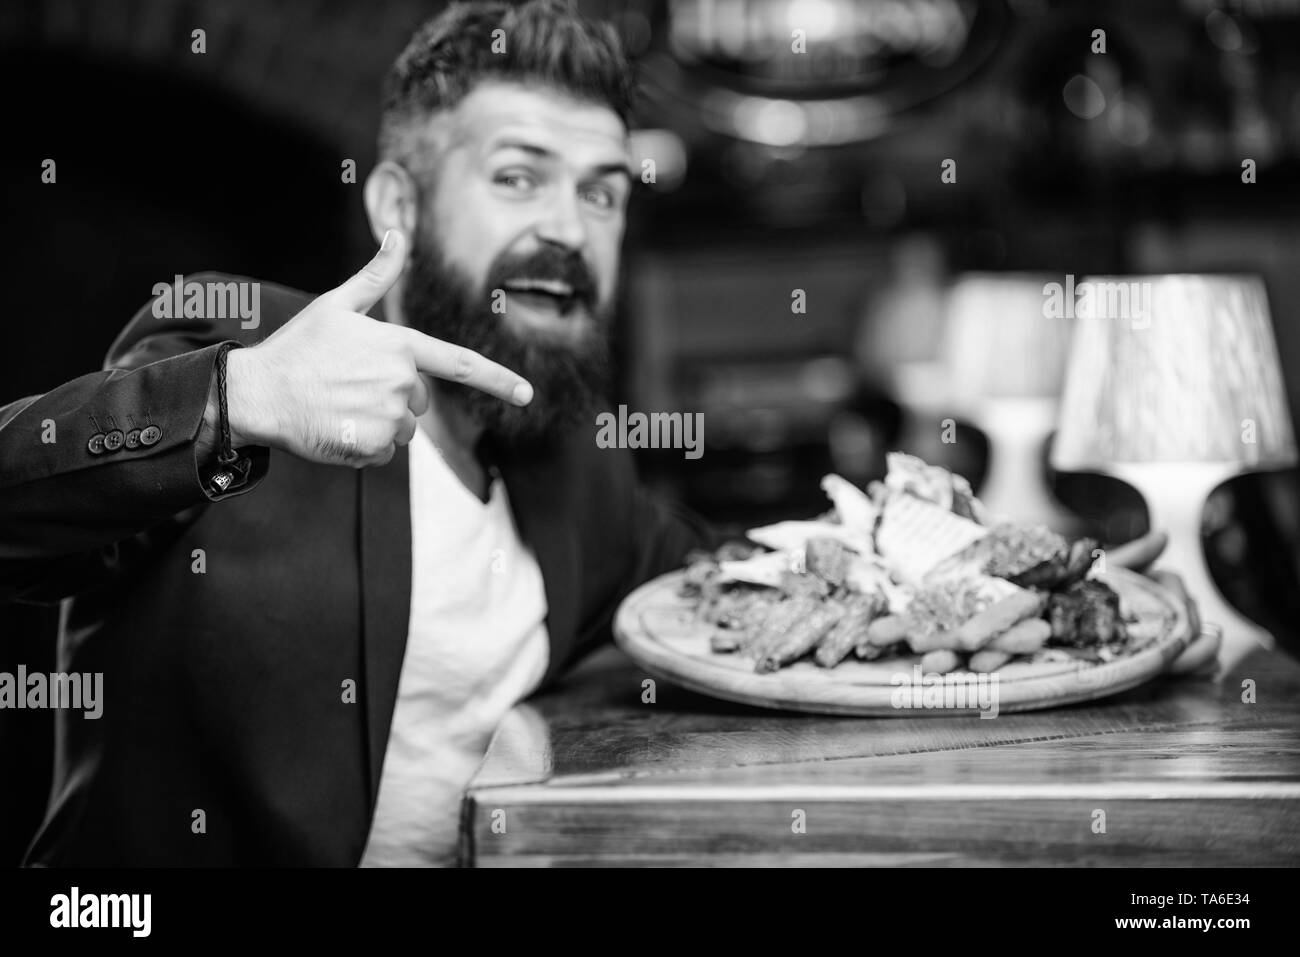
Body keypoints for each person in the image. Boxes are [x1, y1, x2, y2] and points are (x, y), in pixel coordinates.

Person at [0, 0, 1200, 866]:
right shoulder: (257, 351)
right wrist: (238, 400)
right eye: (518, 178)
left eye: (603, 192)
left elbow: (747, 593)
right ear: (400, 208)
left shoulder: (574, 467)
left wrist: (1061, 618)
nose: (569, 227)